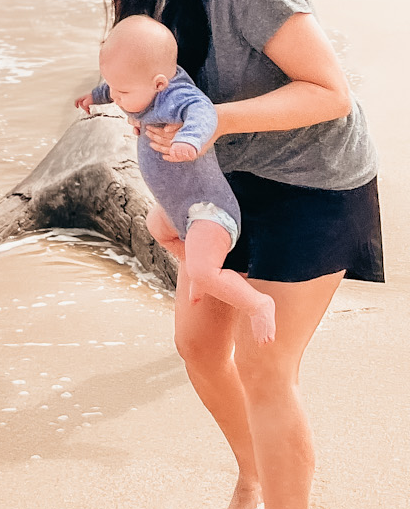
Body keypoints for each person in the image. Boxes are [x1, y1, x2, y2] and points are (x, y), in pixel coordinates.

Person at [73, 0, 382, 509]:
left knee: (264, 363)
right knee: (197, 344)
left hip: (314, 178)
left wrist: (207, 119)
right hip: (223, 187)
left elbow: (329, 91)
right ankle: (254, 477)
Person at [77, 17, 276, 344]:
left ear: (158, 84)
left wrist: (191, 140)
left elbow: (204, 112)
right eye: (113, 87)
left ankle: (256, 304)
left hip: (210, 212)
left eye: (123, 92)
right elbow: (115, 86)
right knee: (156, 227)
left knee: (202, 269)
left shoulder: (179, 97)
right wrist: (94, 96)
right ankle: (201, 271)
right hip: (177, 209)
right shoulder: (138, 86)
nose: (118, 97)